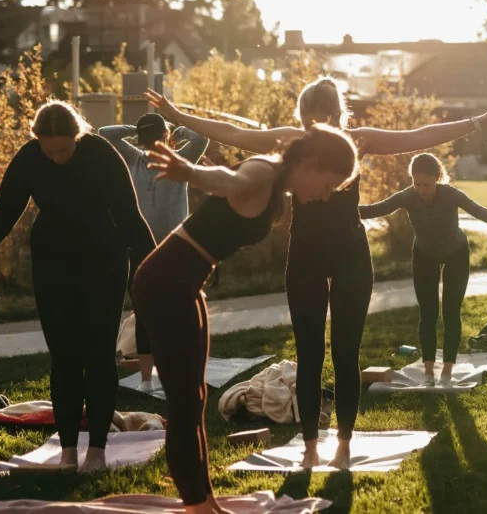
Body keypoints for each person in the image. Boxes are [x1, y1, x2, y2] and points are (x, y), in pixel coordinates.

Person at [143, 84, 487, 469]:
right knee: (308, 354)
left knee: (345, 352)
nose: (318, 128)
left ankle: (343, 445)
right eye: (310, 121)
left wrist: (478, 121)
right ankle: (308, 447)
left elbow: (419, 136)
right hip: (305, 255)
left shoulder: (357, 141)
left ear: (339, 115)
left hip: (351, 256)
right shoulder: (292, 144)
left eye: (324, 120)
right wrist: (177, 116)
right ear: (303, 117)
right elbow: (236, 135)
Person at [132, 123, 358, 514]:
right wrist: (191, 173)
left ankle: (205, 502)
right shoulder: (264, 173)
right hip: (165, 283)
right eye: (329, 183)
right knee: (185, 403)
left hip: (186, 283)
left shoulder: (278, 189)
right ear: (313, 164)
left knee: (196, 398)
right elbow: (228, 180)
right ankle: (197, 507)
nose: (327, 194)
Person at [0, 101, 155, 472]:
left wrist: (160, 266)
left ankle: (96, 450)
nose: (57, 157)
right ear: (38, 142)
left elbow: (131, 218)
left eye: (64, 149)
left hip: (103, 262)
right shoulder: (30, 158)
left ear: (78, 136)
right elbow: (0, 218)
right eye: (49, 150)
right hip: (53, 265)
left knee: (97, 354)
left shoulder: (101, 154)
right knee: (64, 357)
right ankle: (66, 451)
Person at [358, 153, 487, 386]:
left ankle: (447, 371)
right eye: (417, 184)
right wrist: (345, 209)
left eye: (427, 184)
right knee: (428, 314)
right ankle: (429, 373)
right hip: (424, 254)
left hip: (456, 253)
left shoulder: (450, 194)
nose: (422, 190)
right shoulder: (409, 196)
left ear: (437, 178)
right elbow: (379, 208)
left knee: (450, 311)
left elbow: (477, 210)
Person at [99, 113, 209, 393]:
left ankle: (156, 377)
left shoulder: (151, 159)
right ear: (164, 136)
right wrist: (176, 130)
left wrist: (138, 130)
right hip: (157, 247)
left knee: (153, 310)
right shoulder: (154, 159)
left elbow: (105, 132)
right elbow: (202, 138)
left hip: (162, 247)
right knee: (167, 310)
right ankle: (158, 377)